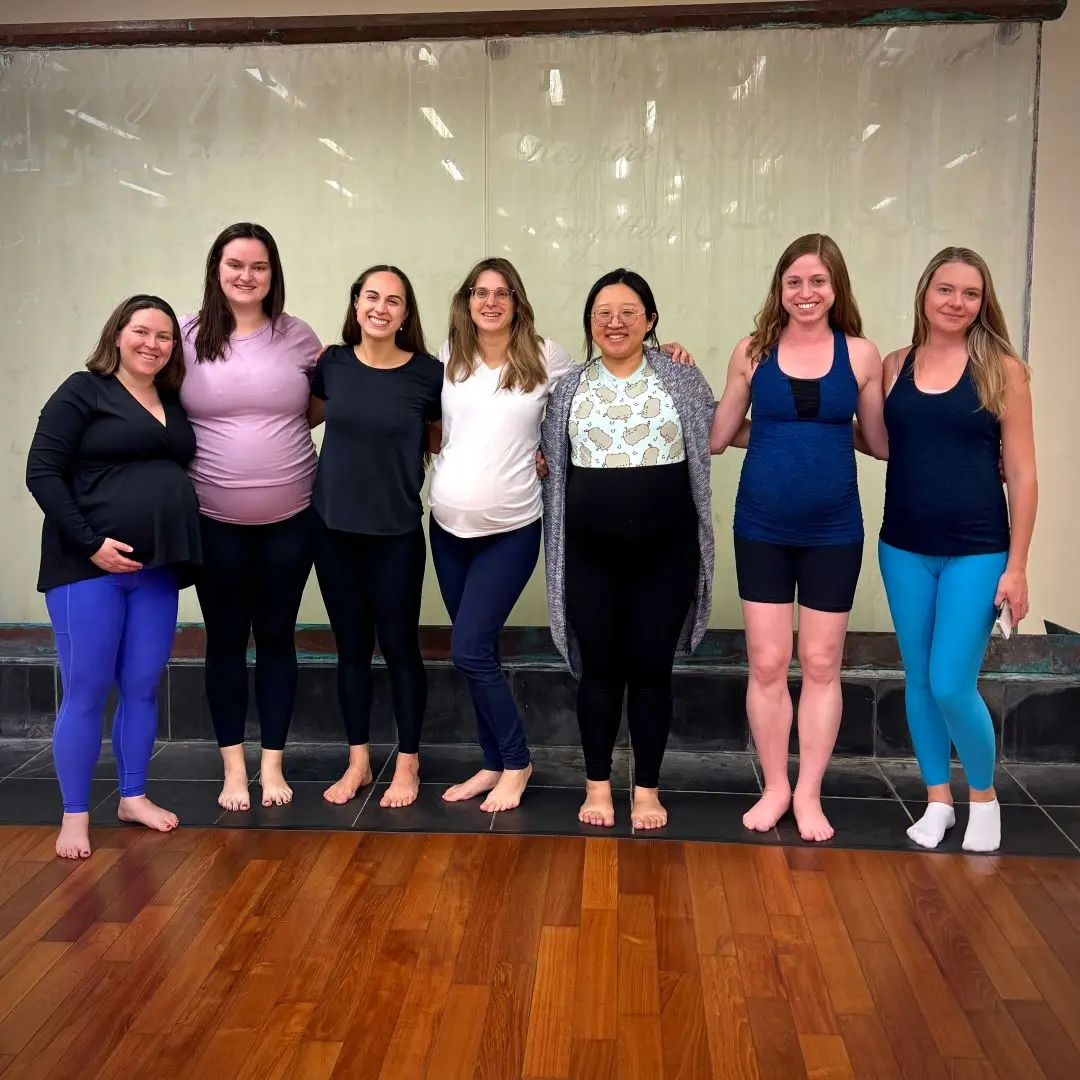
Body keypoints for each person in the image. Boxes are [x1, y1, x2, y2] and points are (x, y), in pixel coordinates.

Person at [710, 233, 889, 843]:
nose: (806, 292)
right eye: (795, 282)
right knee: (767, 661)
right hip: (761, 526)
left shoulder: (863, 356)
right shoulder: (753, 351)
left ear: (836, 287)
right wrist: (677, 368)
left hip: (834, 529)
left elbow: (881, 442)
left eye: (818, 281)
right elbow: (719, 434)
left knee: (819, 662)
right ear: (780, 289)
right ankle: (775, 786)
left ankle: (808, 792)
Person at [26, 295, 201, 859]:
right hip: (87, 568)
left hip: (154, 571)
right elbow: (43, 472)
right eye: (141, 332)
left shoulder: (173, 400)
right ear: (117, 335)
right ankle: (75, 815)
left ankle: (132, 796)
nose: (153, 344)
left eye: (165, 336)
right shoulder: (83, 390)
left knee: (144, 684)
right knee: (86, 689)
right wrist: (91, 544)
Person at [540, 269, 716, 830]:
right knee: (598, 672)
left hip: (666, 556)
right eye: (603, 313)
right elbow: (549, 463)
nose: (615, 322)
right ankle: (596, 787)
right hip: (591, 557)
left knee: (650, 671)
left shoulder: (681, 379)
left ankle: (645, 790)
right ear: (590, 323)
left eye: (628, 312)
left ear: (651, 320)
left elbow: (715, 435)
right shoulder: (567, 386)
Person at [877, 247, 1036, 853]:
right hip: (904, 547)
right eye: (945, 289)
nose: (956, 302)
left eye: (969, 293)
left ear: (982, 302)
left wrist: (1017, 566)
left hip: (978, 549)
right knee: (918, 678)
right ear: (925, 293)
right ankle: (938, 800)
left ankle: (984, 798)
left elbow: (1022, 473)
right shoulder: (896, 365)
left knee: (951, 682)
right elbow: (880, 441)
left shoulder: (1002, 369)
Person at [181, 222, 322, 812]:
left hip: (292, 516)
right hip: (212, 518)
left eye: (259, 266)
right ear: (217, 268)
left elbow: (319, 405)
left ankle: (272, 766)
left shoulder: (298, 337)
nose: (246, 276)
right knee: (224, 641)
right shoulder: (186, 336)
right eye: (235, 264)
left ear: (273, 274)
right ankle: (233, 769)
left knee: (276, 638)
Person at [428, 258, 576, 812]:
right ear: (467, 300)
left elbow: (585, 405)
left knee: (468, 647)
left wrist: (664, 353)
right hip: (446, 527)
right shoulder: (446, 357)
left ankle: (516, 761)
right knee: (477, 651)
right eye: (480, 292)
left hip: (511, 528)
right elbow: (430, 423)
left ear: (517, 301)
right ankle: (492, 764)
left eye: (502, 293)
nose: (490, 302)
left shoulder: (545, 357)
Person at [308, 265, 443, 809]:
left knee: (400, 648)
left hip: (396, 534)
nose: (381, 308)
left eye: (394, 300)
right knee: (351, 651)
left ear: (406, 313)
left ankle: (407, 763)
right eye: (372, 297)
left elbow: (440, 441)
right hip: (332, 530)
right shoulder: (331, 365)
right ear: (356, 304)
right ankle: (359, 761)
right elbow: (301, 420)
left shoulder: (428, 374)